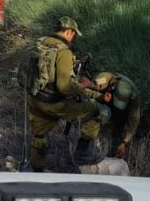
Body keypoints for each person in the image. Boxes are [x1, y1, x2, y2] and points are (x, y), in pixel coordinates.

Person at [27, 16, 105, 170]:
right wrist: (81, 87)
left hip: (36, 98)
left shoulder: (41, 42)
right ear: (69, 31)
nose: (73, 38)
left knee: (40, 135)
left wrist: (72, 63)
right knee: (97, 111)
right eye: (74, 34)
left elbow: (47, 67)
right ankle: (83, 154)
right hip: (54, 103)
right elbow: (64, 87)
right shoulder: (64, 51)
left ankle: (36, 170)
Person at [92, 71, 141, 158]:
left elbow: (134, 119)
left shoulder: (134, 98)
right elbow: (87, 89)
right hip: (104, 99)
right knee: (102, 112)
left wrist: (125, 142)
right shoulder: (104, 79)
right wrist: (101, 96)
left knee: (120, 123)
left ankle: (113, 152)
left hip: (121, 113)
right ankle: (92, 137)